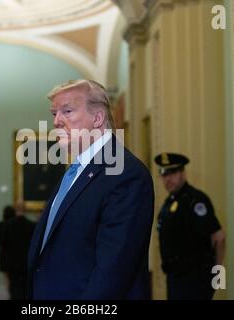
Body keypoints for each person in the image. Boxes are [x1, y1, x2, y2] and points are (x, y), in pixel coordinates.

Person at [27, 79, 154, 299]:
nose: (57, 121)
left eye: (67, 111)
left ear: (97, 118)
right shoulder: (76, 171)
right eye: (54, 113)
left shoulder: (124, 174)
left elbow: (112, 272)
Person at [154, 152, 226, 300]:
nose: (167, 179)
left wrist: (218, 277)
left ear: (183, 173)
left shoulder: (195, 200)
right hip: (175, 278)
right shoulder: (168, 204)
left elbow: (219, 237)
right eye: (164, 174)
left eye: (172, 173)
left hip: (195, 279)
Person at [3, 201, 36, 300]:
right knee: (25, 291)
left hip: (12, 265)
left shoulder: (7, 225)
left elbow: (5, 247)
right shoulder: (32, 226)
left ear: (15, 209)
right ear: (25, 209)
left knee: (14, 291)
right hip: (26, 264)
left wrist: (6, 265)